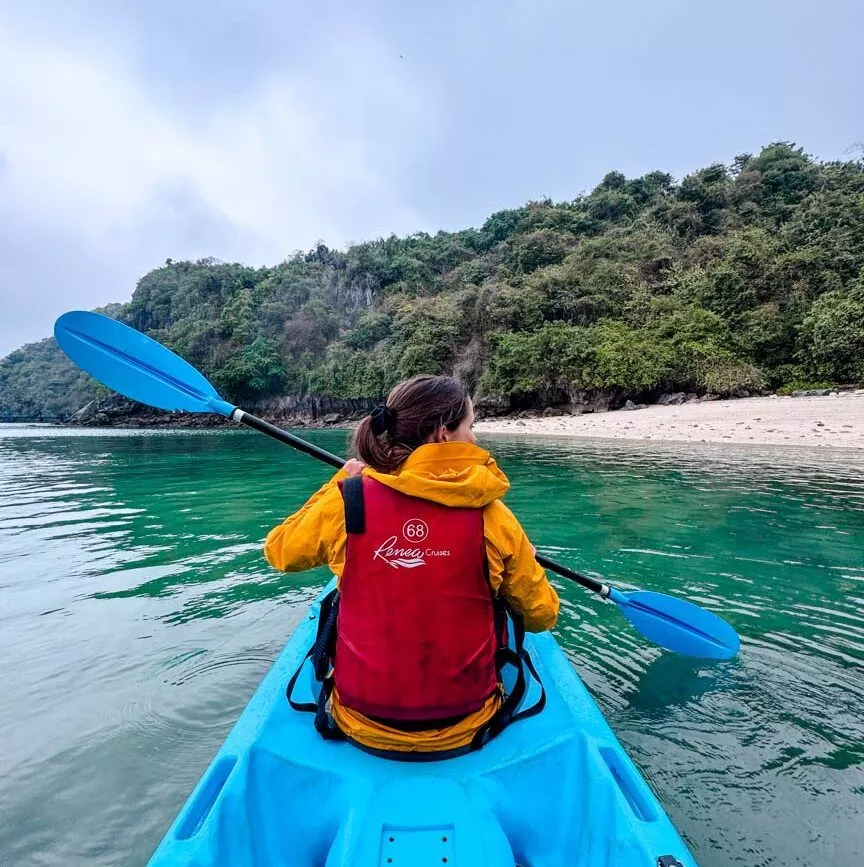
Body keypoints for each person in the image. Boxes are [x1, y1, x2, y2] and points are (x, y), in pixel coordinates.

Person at [264, 374, 559, 756]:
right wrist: (524, 563)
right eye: (470, 426)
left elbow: (280, 551)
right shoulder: (494, 517)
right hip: (468, 723)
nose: (474, 438)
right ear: (443, 434)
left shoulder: (349, 500)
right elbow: (541, 617)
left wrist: (342, 481)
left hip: (360, 722)